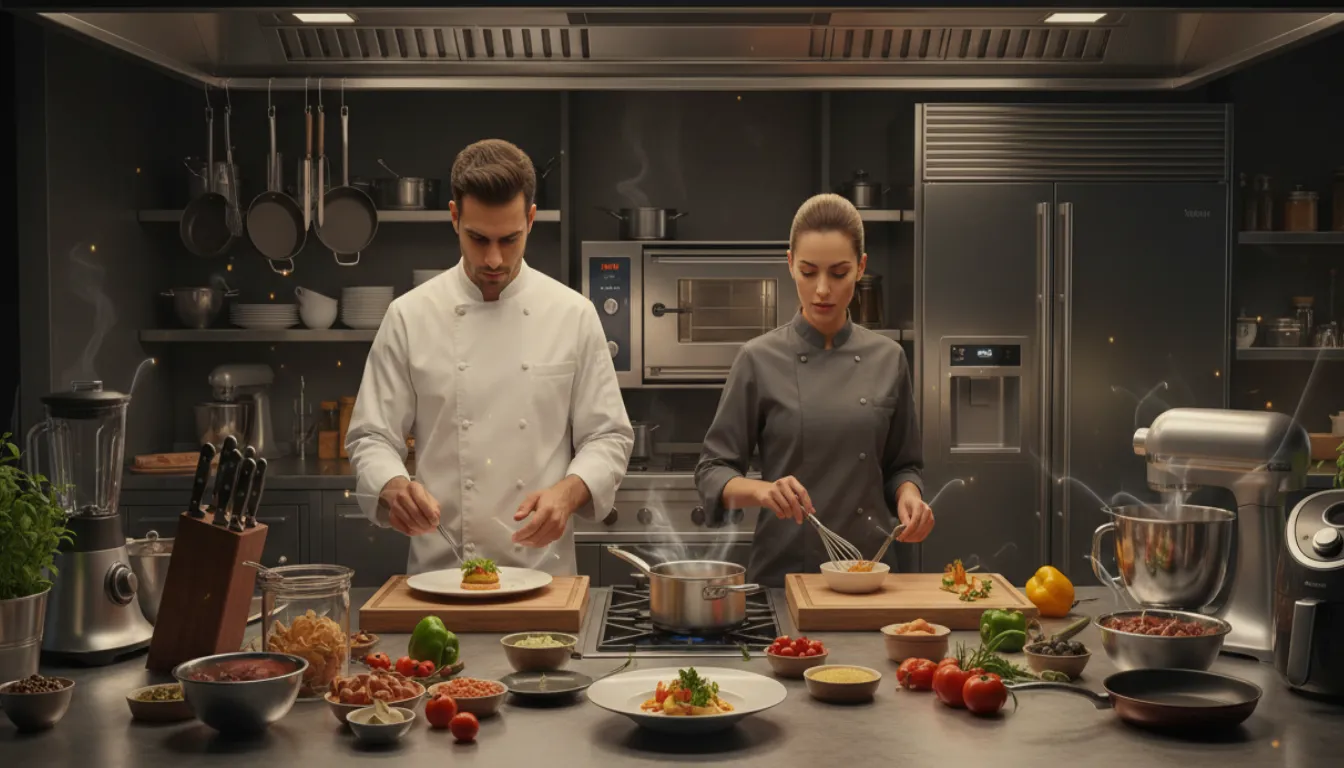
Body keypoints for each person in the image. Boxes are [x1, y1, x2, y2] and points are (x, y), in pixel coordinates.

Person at [346, 138, 634, 576]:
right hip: (441, 573)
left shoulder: (573, 314)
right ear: (454, 217)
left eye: (510, 238)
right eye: (478, 238)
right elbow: (370, 437)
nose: (494, 258)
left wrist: (569, 492)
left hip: (544, 575)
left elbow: (608, 436)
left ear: (532, 220)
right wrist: (392, 485)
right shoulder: (409, 316)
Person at [695, 193, 934, 586]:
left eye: (838, 273)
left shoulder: (889, 359)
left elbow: (902, 466)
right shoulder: (758, 359)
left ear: (861, 268)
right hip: (784, 576)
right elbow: (712, 472)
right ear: (790, 264)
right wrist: (763, 491)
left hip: (871, 573)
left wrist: (909, 496)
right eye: (808, 272)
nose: (822, 289)